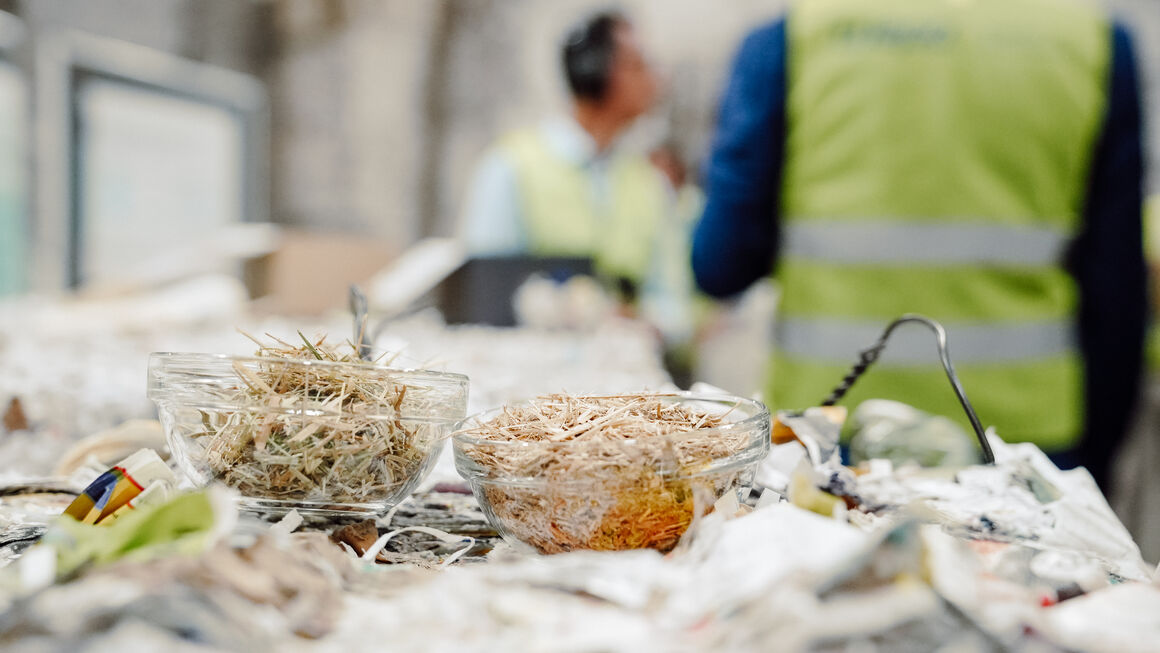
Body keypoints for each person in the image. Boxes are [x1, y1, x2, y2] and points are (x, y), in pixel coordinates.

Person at [692, 0, 1147, 489]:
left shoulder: (798, 35)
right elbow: (1117, 290)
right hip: (1023, 448)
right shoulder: (1091, 41)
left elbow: (721, 263)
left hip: (827, 444)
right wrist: (1091, 465)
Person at [458, 10, 668, 308]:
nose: (655, 79)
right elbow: (486, 293)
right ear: (592, 70)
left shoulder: (648, 183)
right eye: (638, 65)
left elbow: (672, 302)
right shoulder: (510, 167)